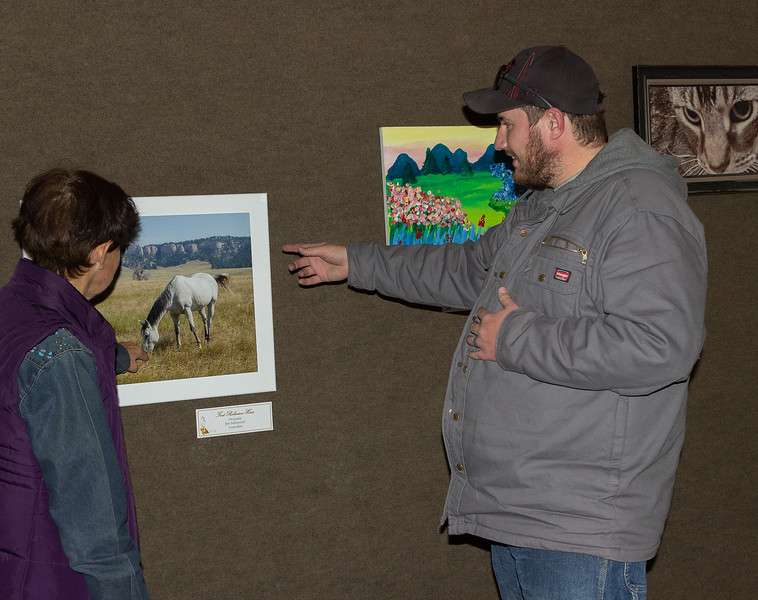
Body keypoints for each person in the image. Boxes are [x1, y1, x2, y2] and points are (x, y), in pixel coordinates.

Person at [284, 46, 707, 599]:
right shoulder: (545, 206)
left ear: (553, 122)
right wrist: (357, 262)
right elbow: (468, 270)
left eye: (508, 125)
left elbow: (660, 346)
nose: (499, 142)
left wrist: (515, 337)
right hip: (525, 514)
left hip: (580, 531)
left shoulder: (639, 208)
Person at [0, 169, 151, 599]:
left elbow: (22, 380)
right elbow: (94, 519)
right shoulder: (60, 357)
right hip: (47, 575)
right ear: (101, 252)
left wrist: (118, 355)